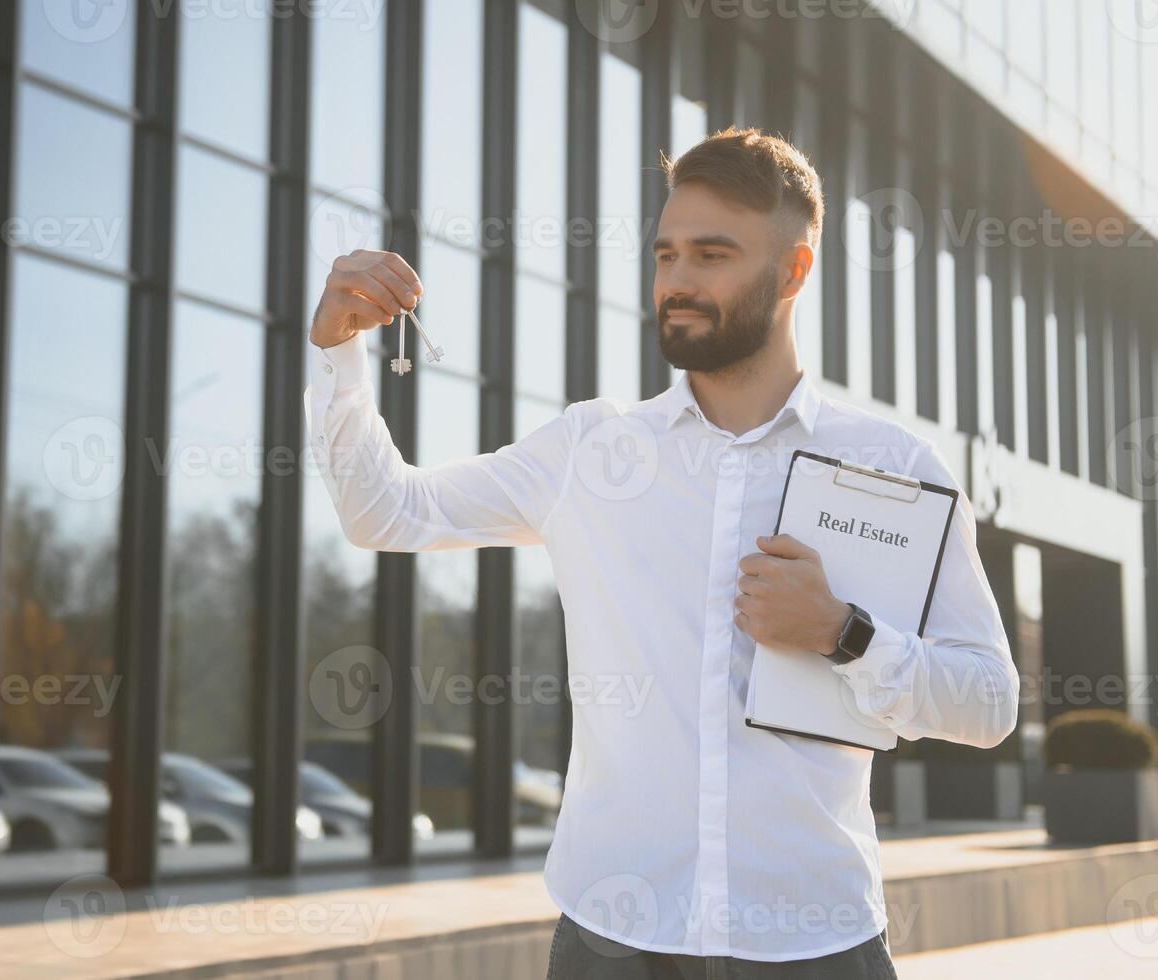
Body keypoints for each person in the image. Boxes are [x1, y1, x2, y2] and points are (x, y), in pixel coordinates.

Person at [302, 126, 1018, 978]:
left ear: (792, 271)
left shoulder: (893, 466)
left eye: (711, 255)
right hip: (611, 937)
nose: (676, 281)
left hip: (812, 940)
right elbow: (385, 511)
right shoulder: (588, 449)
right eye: (666, 254)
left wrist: (845, 634)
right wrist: (339, 352)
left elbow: (988, 702)